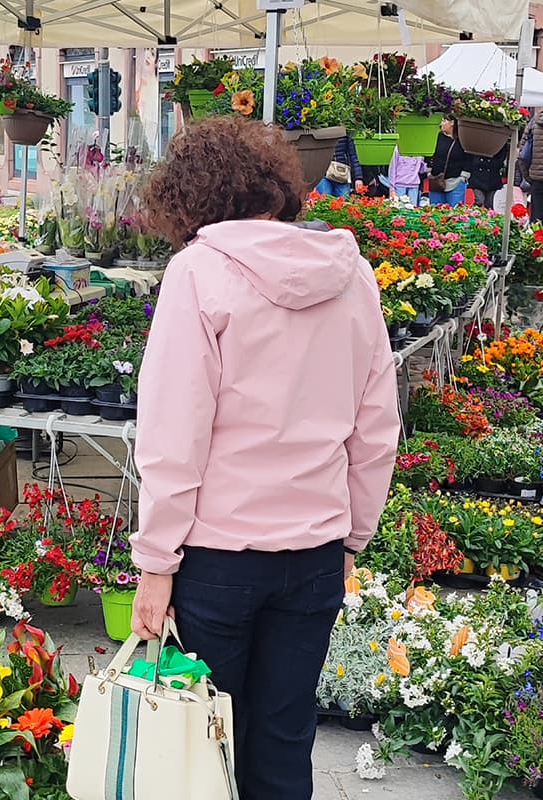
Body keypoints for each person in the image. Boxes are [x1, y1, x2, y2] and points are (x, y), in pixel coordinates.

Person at [129, 116, 399, 800]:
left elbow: (172, 437)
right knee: (283, 741)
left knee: (202, 749)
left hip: (218, 561)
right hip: (315, 554)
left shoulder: (196, 274)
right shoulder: (352, 273)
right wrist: (354, 537)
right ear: (274, 186)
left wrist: (156, 565)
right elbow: (376, 428)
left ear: (188, 200)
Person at [426, 117, 471, 206]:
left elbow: (469, 156)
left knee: (456, 213)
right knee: (435, 212)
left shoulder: (463, 139)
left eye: (444, 121)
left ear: (452, 123)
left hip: (456, 181)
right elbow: (431, 153)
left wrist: (463, 176)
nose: (441, 124)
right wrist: (429, 170)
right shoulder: (439, 136)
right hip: (436, 180)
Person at [469, 144, 507, 209]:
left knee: (490, 204)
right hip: (477, 178)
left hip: (493, 179)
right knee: (479, 201)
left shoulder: (499, 143)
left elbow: (500, 160)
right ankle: (472, 216)